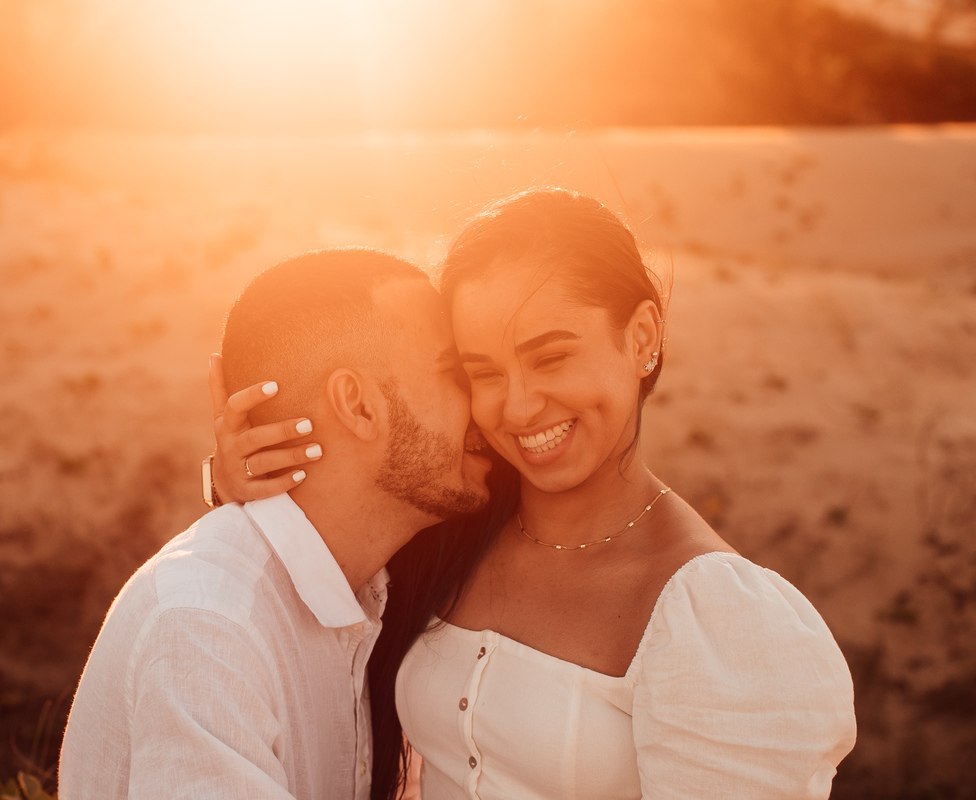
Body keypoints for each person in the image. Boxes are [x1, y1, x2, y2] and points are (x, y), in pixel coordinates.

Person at [210, 188, 857, 800]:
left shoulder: (718, 618)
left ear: (641, 338)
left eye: (550, 358)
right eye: (482, 372)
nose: (517, 407)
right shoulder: (447, 530)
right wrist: (251, 487)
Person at [58, 248, 490, 800]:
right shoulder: (207, 629)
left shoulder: (377, 584)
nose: (487, 403)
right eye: (455, 373)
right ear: (357, 406)